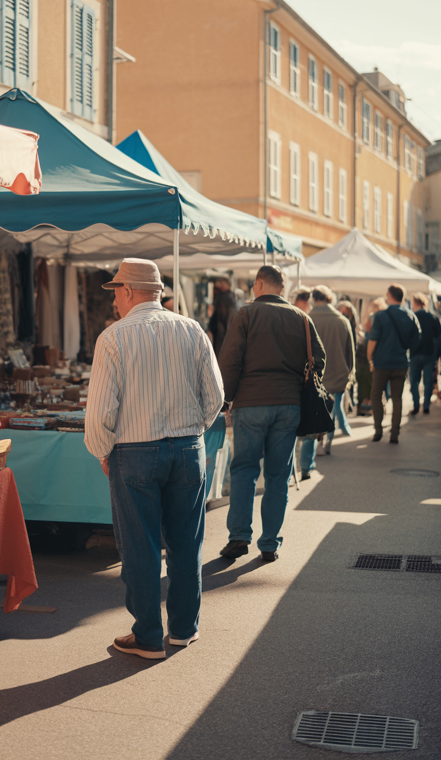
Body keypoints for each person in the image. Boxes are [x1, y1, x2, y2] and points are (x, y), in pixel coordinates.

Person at [85, 258, 224, 660]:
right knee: (186, 541)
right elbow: (215, 396)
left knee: (140, 545)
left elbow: (99, 413)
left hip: (134, 451)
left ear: (128, 292)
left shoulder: (113, 338)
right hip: (187, 447)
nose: (114, 302)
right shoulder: (192, 329)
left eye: (116, 293)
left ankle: (147, 635)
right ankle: (183, 629)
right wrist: (191, 429)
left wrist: (102, 450)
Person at [217, 265, 325, 561]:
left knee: (244, 471)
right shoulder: (302, 318)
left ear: (261, 283)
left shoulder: (247, 313)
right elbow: (319, 360)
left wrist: (225, 401)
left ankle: (239, 536)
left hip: (251, 404)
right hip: (289, 405)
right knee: (278, 476)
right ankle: (269, 543)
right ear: (282, 287)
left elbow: (230, 360)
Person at [298, 286, 355, 479]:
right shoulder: (343, 320)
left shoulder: (305, 318)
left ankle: (306, 464)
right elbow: (351, 352)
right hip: (338, 375)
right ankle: (326, 443)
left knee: (312, 419)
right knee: (330, 411)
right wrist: (349, 375)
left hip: (313, 379)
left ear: (314, 298)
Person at [366, 284, 420, 443]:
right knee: (397, 397)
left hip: (382, 363)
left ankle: (378, 430)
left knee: (376, 396)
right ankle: (395, 433)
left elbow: (373, 340)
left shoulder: (381, 316)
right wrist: (405, 350)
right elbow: (417, 339)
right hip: (401, 362)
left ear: (390, 295)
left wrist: (370, 358)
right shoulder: (410, 315)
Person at [408, 293, 441, 415]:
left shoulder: (412, 317)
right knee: (427, 381)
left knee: (414, 381)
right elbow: (439, 335)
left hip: (415, 353)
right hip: (429, 352)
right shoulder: (432, 317)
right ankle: (426, 405)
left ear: (416, 303)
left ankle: (416, 404)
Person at [357, 297, 386, 416]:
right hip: (378, 356)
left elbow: (367, 330)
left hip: (369, 355)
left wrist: (369, 357)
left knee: (367, 384)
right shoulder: (384, 318)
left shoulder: (374, 318)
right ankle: (376, 407)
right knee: (375, 385)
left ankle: (366, 406)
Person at [208, 277, 238, 354]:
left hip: (222, 331)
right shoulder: (227, 296)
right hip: (221, 331)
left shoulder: (226, 297)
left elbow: (225, 316)